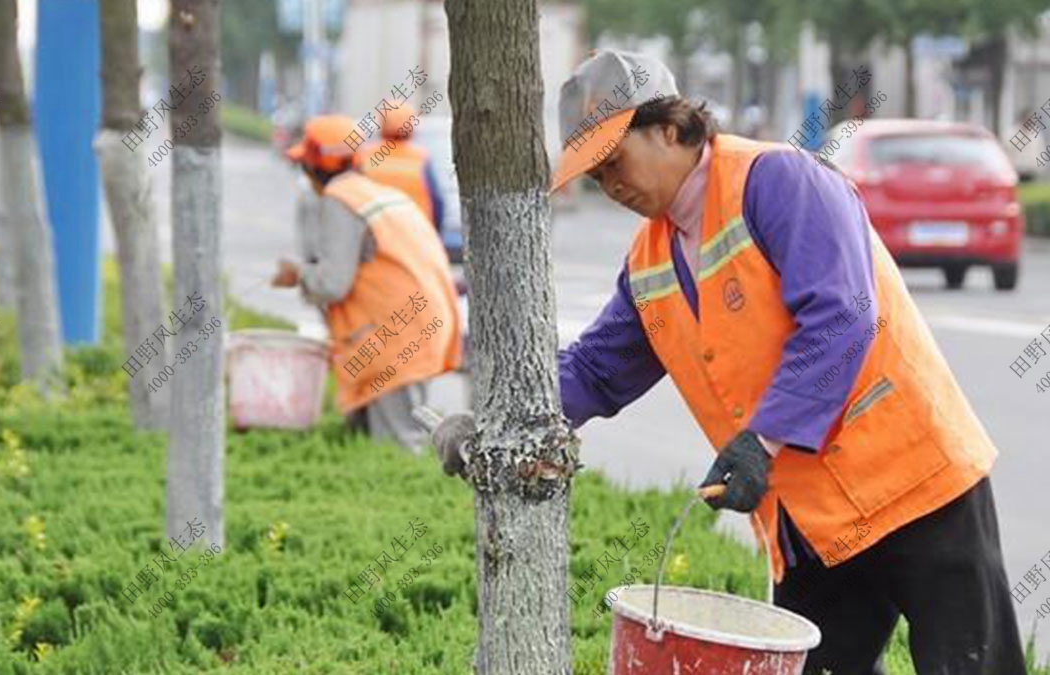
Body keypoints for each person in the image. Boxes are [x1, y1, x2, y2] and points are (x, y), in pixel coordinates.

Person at [432, 50, 1024, 674]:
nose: (611, 186)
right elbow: (594, 371)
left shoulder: (776, 180)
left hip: (913, 484)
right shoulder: (650, 260)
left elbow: (843, 316)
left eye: (615, 161)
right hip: (810, 524)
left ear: (670, 126)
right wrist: (493, 424)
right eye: (596, 177)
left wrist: (760, 443)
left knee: (973, 664)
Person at [273, 115, 462, 453]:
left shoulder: (339, 198)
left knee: (400, 447)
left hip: (393, 336)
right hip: (416, 325)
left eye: (305, 165)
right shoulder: (374, 192)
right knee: (374, 440)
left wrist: (297, 274)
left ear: (316, 167)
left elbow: (333, 283)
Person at [354, 104, 445, 236]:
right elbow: (437, 201)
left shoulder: (365, 156)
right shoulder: (420, 158)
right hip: (416, 234)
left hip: (375, 234)